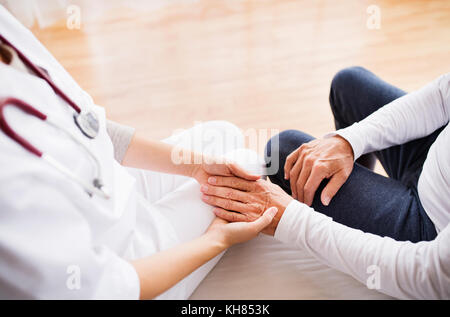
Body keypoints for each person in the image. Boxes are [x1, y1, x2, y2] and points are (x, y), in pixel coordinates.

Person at [0, 5, 275, 299]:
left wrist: (195, 167)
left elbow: (88, 123)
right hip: (125, 261)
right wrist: (216, 240)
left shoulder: (7, 26)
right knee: (247, 163)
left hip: (102, 187)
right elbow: (104, 290)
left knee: (223, 134)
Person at [200, 68, 450, 299]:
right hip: (435, 160)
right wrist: (348, 141)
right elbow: (441, 96)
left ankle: (364, 210)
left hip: (429, 227)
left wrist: (291, 220)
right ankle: (364, 195)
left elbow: (432, 274)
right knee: (348, 85)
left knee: (282, 152)